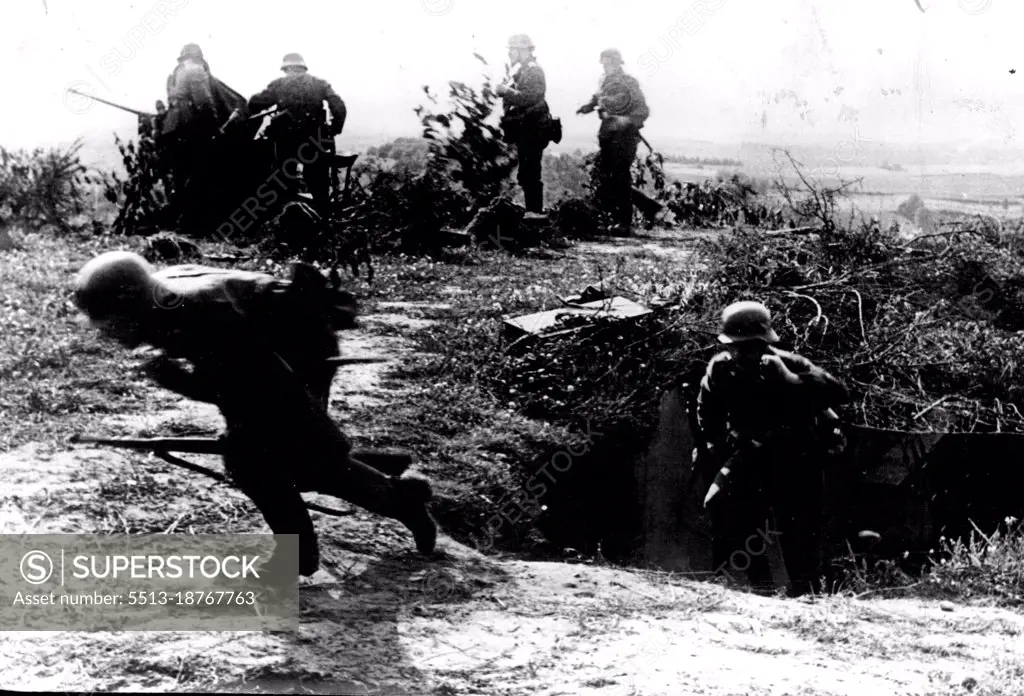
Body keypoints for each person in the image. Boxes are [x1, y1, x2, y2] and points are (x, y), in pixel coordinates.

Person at [72, 251, 438, 579]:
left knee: (257, 458)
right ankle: (395, 495)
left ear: (129, 303)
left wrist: (175, 381)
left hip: (296, 348)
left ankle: (305, 551)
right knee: (289, 455)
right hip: (269, 348)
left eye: (110, 322)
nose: (108, 334)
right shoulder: (159, 302)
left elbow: (241, 386)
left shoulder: (198, 316)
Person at [695, 301, 848, 596]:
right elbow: (708, 408)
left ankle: (806, 595)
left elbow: (838, 392)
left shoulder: (790, 364)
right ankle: (761, 587)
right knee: (721, 504)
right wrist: (716, 444)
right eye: (738, 346)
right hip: (751, 455)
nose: (744, 353)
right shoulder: (722, 368)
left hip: (796, 458)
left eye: (752, 346)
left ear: (765, 343)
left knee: (798, 529)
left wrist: (790, 380)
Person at [247, 53, 347, 214]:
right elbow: (339, 106)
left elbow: (255, 103)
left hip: (286, 139)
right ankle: (324, 218)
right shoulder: (319, 83)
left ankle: (282, 218)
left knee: (282, 178)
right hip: (315, 138)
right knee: (317, 179)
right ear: (303, 67)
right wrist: (334, 128)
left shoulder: (278, 84)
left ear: (286, 68)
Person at [576, 48, 650, 234]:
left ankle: (624, 223)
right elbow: (599, 97)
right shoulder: (604, 81)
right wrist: (589, 106)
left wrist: (626, 120)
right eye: (605, 63)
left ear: (618, 64)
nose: (607, 67)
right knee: (608, 178)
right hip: (607, 135)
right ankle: (616, 218)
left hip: (625, 137)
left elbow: (643, 110)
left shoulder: (629, 83)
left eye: (611, 63)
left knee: (620, 176)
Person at [497, 34, 555, 214]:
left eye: (512, 49)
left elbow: (529, 97)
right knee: (526, 172)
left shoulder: (533, 71)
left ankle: (535, 215)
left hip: (533, 129)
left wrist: (506, 91)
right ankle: (533, 213)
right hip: (525, 129)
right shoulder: (520, 70)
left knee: (530, 173)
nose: (509, 54)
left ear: (522, 50)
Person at [161, 44, 218, 206]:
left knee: (180, 170)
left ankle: (182, 214)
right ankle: (197, 218)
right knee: (200, 167)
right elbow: (203, 101)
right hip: (190, 124)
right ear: (198, 57)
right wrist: (214, 126)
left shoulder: (175, 74)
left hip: (173, 126)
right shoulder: (195, 69)